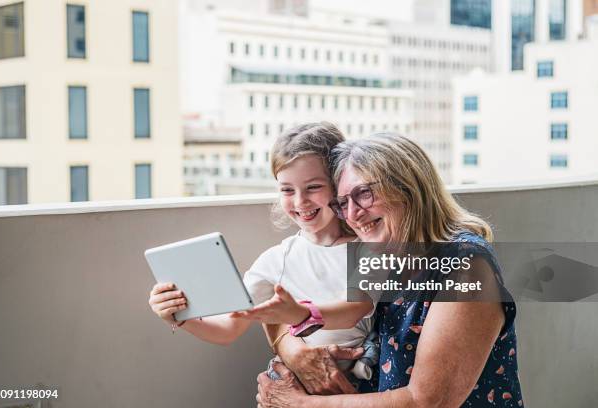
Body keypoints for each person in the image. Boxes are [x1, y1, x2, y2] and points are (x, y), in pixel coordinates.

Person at [255, 133, 524, 408]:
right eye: (343, 203)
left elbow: (424, 402)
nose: (352, 214)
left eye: (363, 194)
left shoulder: (466, 266)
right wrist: (294, 350)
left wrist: (298, 404)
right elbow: (279, 302)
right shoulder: (388, 255)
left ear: (407, 188)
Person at [148, 122, 379, 384]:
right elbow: (227, 330)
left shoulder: (368, 248)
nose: (300, 201)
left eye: (313, 187)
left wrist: (298, 313)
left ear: (339, 183)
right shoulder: (276, 260)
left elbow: (354, 309)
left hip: (357, 382)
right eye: (287, 190)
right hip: (294, 380)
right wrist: (180, 316)